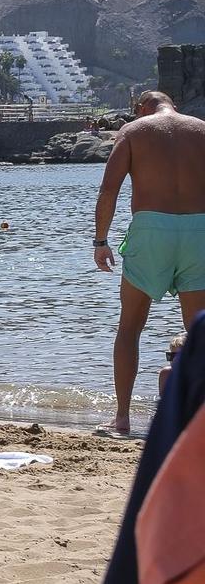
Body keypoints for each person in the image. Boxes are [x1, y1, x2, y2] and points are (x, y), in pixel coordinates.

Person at [94, 91, 205, 436]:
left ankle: (123, 418)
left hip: (151, 229)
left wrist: (101, 241)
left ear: (143, 106)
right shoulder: (201, 129)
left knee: (130, 327)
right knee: (198, 332)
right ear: (175, 104)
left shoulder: (133, 130)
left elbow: (108, 190)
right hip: (198, 230)